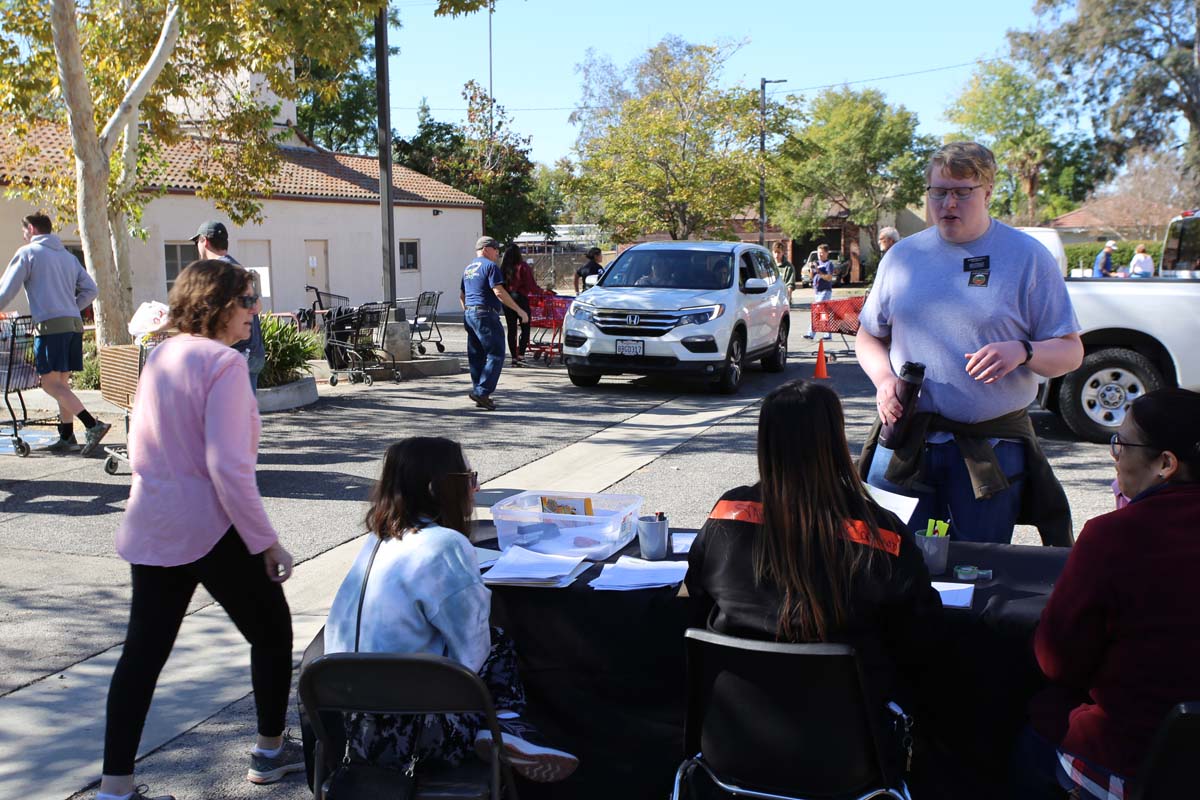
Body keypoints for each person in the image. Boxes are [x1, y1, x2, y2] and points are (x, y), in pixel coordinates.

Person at [98, 259, 297, 800]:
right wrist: (267, 541)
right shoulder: (225, 364)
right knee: (273, 635)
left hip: (154, 522)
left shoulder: (161, 354)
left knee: (142, 655)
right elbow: (228, 468)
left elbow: (140, 443)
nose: (254, 312)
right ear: (218, 305)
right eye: (247, 301)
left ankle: (115, 788)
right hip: (213, 527)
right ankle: (270, 750)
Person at [857, 141, 1084, 545]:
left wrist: (1023, 351)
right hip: (907, 439)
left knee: (978, 568)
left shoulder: (1027, 257)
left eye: (963, 192)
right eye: (939, 192)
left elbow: (1071, 351)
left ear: (989, 193)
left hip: (991, 446)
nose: (948, 203)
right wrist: (883, 379)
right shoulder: (902, 257)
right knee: (890, 560)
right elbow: (870, 335)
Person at [324, 436, 579, 782]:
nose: (475, 490)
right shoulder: (446, 544)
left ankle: (501, 728)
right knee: (497, 641)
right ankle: (504, 726)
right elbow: (473, 650)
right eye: (469, 480)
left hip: (354, 731)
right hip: (417, 737)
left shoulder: (377, 539)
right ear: (437, 488)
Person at [686, 379, 943, 716]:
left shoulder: (728, 514)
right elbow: (923, 637)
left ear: (765, 443)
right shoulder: (883, 536)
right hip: (848, 740)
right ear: (835, 443)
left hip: (734, 734)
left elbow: (695, 595)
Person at [1014, 388, 1200, 800]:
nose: (1114, 454)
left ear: (1166, 464)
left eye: (1122, 442)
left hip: (1134, 761)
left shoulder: (1114, 536)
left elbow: (1056, 662)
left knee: (1032, 729)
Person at [0, 213, 110, 455]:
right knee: (62, 383)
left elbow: (6, 291)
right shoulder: (67, 257)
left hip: (51, 327)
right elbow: (91, 290)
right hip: (73, 324)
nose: (24, 236)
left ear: (30, 228)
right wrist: (70, 307)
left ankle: (92, 424)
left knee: (49, 384)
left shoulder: (28, 253)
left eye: (24, 232)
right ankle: (67, 435)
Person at [192, 221, 265, 391]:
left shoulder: (218, 271)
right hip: (252, 351)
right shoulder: (236, 267)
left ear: (205, 241)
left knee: (231, 412)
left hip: (235, 352)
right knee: (244, 412)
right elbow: (257, 305)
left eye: (197, 242)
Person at [459, 236, 528, 411]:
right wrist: (519, 311)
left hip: (470, 313)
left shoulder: (468, 269)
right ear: (485, 249)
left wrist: (468, 312)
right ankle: (482, 392)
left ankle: (479, 392)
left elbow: (462, 295)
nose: (498, 253)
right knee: (496, 354)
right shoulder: (490, 267)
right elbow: (498, 291)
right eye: (495, 249)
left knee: (477, 356)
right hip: (486, 314)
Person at [499, 244, 537, 367]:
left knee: (511, 329)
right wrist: (543, 292)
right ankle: (521, 354)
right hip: (520, 298)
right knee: (525, 326)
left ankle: (514, 358)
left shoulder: (502, 268)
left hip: (507, 299)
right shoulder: (523, 266)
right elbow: (531, 285)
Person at [803, 244, 835, 339]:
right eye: (818, 253)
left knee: (817, 311)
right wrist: (811, 270)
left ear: (826, 253)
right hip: (817, 291)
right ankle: (828, 334)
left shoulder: (828, 264)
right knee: (823, 313)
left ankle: (811, 333)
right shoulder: (816, 262)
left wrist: (819, 271)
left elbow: (829, 278)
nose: (820, 255)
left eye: (822, 253)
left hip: (825, 291)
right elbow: (812, 277)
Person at [772, 241, 795, 306]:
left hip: (782, 299)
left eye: (779, 252)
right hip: (770, 300)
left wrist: (787, 300)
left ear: (782, 253)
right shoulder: (769, 266)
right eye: (775, 252)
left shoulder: (788, 267)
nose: (776, 255)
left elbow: (790, 285)